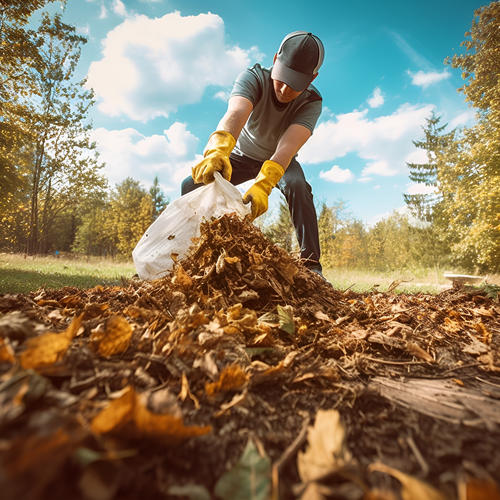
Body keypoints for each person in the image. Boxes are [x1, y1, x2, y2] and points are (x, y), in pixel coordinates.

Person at [181, 31, 325, 275]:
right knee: (191, 184)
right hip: (241, 154)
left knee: (298, 186)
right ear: (276, 59)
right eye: (282, 78)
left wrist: (265, 183)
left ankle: (312, 265)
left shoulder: (311, 102)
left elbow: (287, 147)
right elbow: (236, 113)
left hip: (278, 160)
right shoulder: (254, 77)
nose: (285, 89)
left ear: (312, 78)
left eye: (296, 84)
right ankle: (189, 254)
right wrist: (219, 149)